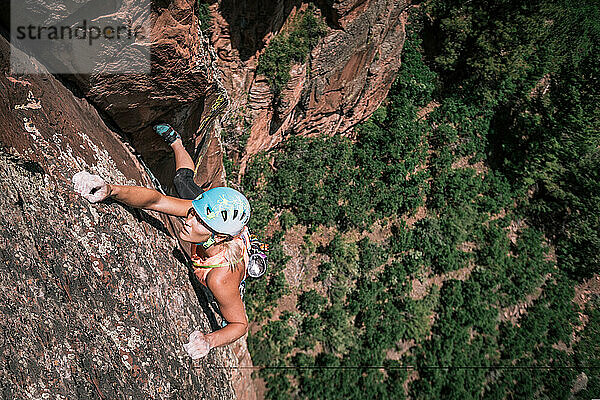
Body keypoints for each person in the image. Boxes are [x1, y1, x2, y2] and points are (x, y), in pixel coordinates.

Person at [72, 123, 251, 360]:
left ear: (218, 235)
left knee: (216, 296)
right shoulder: (204, 218)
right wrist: (110, 189)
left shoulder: (220, 279)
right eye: (193, 212)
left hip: (223, 268)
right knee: (181, 180)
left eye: (198, 219)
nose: (189, 219)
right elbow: (155, 201)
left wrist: (209, 340)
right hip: (222, 233)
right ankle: (177, 141)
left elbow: (239, 324)